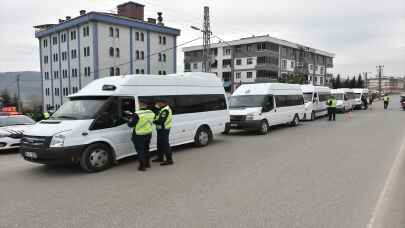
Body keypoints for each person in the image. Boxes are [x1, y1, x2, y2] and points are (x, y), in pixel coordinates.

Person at [127, 101, 155, 171]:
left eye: (139, 104)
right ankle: (148, 164)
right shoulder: (151, 112)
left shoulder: (137, 114)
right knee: (146, 149)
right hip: (148, 133)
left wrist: (129, 120)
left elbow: (131, 125)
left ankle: (142, 166)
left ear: (141, 105)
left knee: (140, 150)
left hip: (139, 134)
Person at [153, 98, 174, 166]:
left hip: (164, 129)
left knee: (165, 145)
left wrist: (152, 121)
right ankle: (160, 157)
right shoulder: (162, 109)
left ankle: (169, 160)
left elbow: (161, 121)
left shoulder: (165, 110)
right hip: (160, 129)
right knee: (159, 144)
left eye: (158, 103)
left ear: (163, 103)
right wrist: (156, 109)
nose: (157, 104)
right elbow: (157, 115)